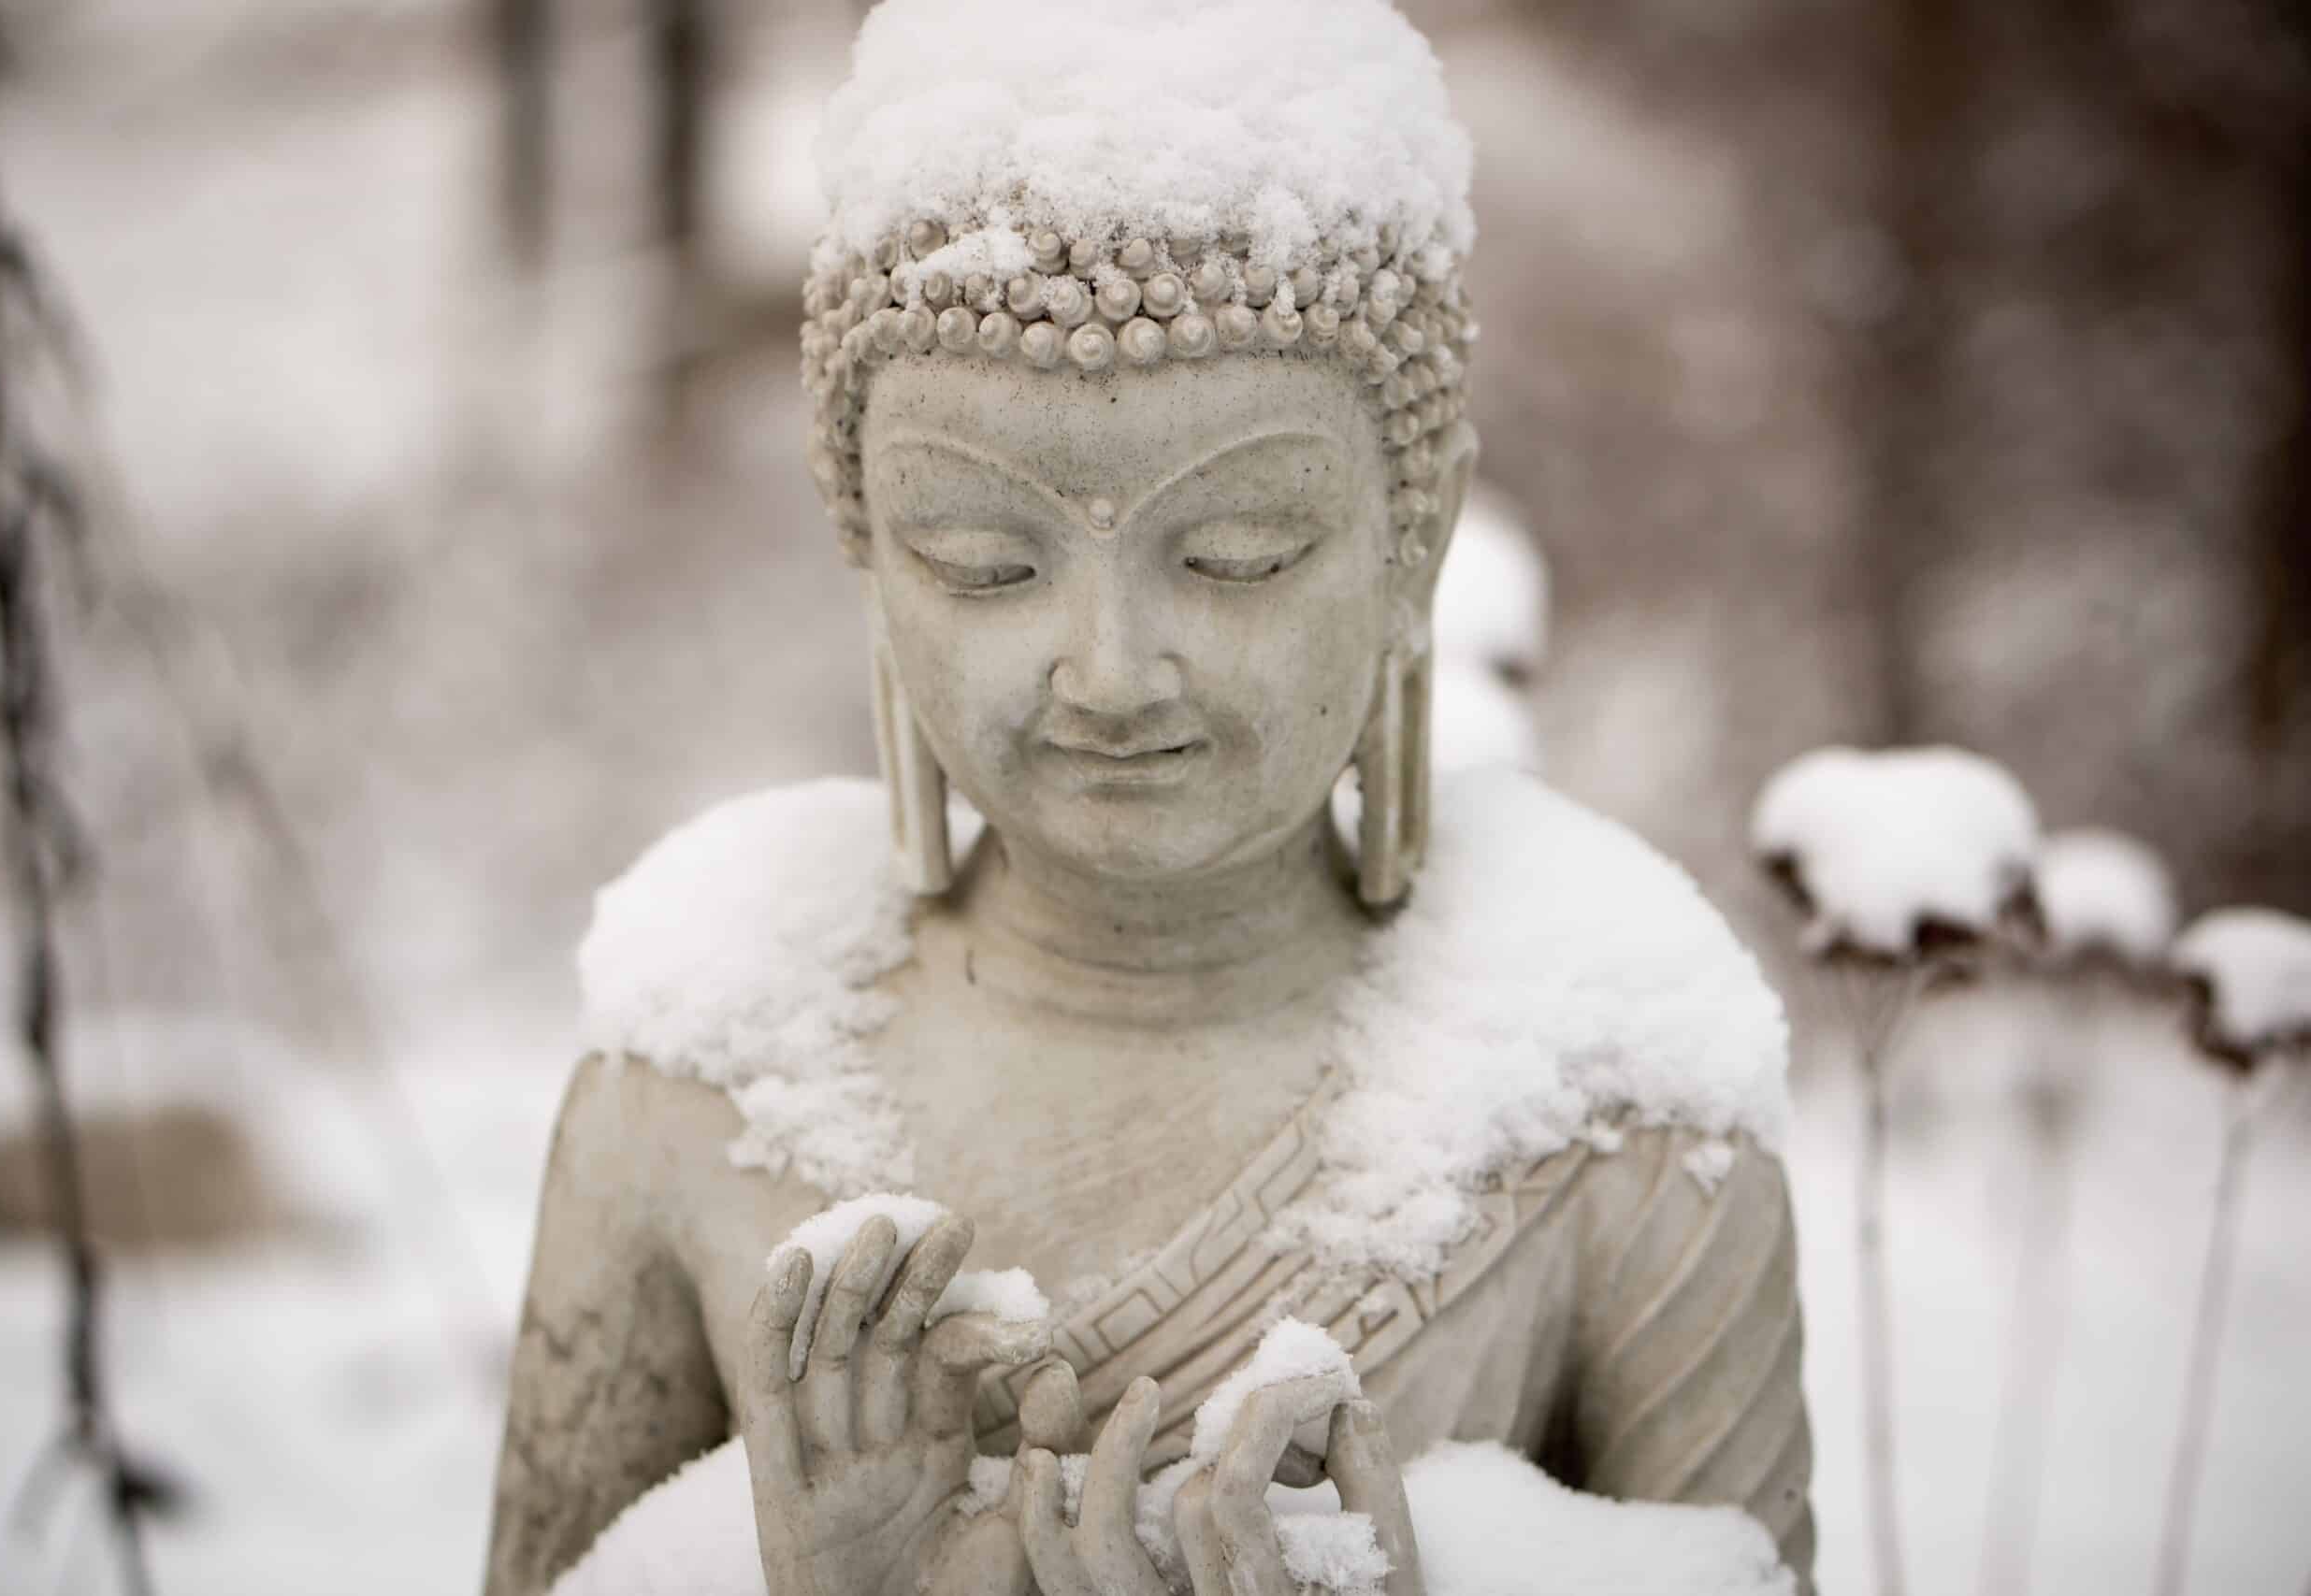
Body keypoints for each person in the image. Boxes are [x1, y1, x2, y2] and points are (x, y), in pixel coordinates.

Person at [485, 3, 1813, 1592]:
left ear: (1421, 541)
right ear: (866, 547)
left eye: (1237, 553)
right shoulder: (703, 1088)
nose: (1110, 669)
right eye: (986, 562)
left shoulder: (1614, 1109)